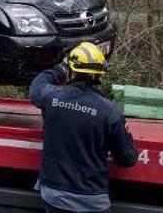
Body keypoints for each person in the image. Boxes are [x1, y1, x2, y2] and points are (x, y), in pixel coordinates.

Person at [30, 42, 138, 213]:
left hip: (53, 196)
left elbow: (37, 86)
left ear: (72, 71)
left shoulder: (51, 98)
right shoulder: (109, 112)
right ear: (99, 74)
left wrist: (60, 68)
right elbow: (127, 159)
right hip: (92, 201)